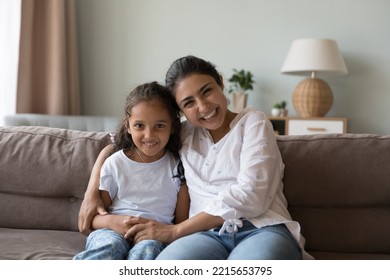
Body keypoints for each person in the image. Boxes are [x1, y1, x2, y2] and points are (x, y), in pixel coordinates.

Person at [78, 55, 312, 260]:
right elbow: (119, 142)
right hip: (205, 236)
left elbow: (252, 195)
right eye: (188, 103)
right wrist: (92, 191)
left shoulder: (253, 122)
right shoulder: (183, 132)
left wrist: (175, 231)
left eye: (207, 91)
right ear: (180, 111)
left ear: (220, 82)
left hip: (261, 228)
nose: (203, 107)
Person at [74, 81, 189, 260]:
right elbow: (94, 219)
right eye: (139, 126)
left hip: (153, 236)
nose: (149, 135)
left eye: (159, 126)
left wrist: (162, 234)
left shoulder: (178, 167)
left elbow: (180, 226)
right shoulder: (115, 163)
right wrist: (113, 222)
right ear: (128, 126)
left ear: (173, 126)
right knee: (110, 246)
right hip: (112, 231)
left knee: (147, 251)